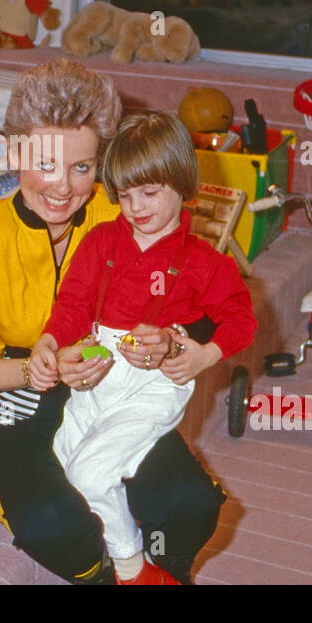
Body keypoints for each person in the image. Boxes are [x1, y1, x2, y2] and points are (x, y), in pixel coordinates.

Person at [0, 59, 230, 584]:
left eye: (82, 168)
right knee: (59, 528)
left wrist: (170, 341)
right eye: (45, 164)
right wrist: (39, 369)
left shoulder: (119, 220)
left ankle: (163, 572)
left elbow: (202, 309)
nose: (63, 188)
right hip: (15, 421)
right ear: (14, 152)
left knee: (191, 505)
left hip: (110, 402)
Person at [30, 111, 256, 584]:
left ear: (182, 184)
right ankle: (121, 543)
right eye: (125, 195)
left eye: (149, 192)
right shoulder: (100, 241)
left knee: (90, 476)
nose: (135, 207)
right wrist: (50, 341)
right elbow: (72, 304)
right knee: (69, 466)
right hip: (98, 378)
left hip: (151, 387)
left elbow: (242, 320)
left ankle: (136, 572)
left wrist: (203, 354)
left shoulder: (201, 261)